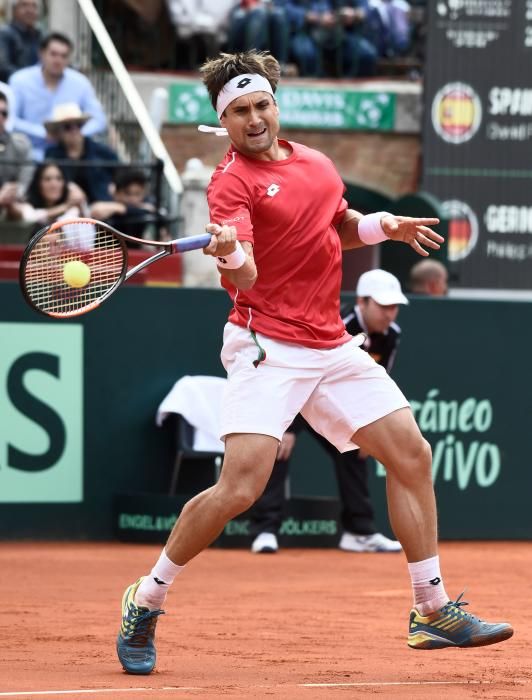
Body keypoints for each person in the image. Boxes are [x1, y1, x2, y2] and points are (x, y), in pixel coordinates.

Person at [115, 50, 512, 675]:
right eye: (240, 111)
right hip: (264, 344)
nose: (254, 119)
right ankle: (148, 596)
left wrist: (385, 226)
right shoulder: (230, 183)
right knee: (240, 487)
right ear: (225, 120)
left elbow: (336, 225)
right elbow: (245, 271)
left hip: (329, 342)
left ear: (276, 104)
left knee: (411, 453)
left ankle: (430, 610)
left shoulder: (317, 163)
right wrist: (228, 253)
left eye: (261, 105)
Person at [250, 268, 409, 554]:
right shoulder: (340, 326)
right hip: (299, 401)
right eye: (383, 306)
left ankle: (357, 532)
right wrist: (288, 428)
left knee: (354, 452)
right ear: (362, 302)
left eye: (394, 307)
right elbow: (302, 375)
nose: (389, 313)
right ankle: (266, 531)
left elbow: (375, 384)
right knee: (279, 447)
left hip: (333, 407)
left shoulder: (392, 335)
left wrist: (366, 428)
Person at [9, 32, 107, 160]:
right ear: (41, 54)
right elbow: (9, 120)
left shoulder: (80, 82)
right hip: (29, 153)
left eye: (64, 56)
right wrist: (42, 133)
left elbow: (99, 119)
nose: (58, 60)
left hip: (71, 156)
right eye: (53, 54)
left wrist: (73, 134)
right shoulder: (19, 81)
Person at [44, 103, 119, 203]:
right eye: (67, 127)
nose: (74, 130)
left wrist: (115, 186)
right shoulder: (52, 154)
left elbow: (121, 172)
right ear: (59, 132)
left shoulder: (100, 151)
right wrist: (68, 186)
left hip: (102, 206)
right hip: (67, 207)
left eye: (78, 125)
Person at [10, 161, 87, 233]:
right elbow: (31, 217)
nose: (54, 185)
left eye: (59, 179)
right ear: (38, 184)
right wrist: (65, 206)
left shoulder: (72, 210)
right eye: (47, 179)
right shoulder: (27, 206)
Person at [0, 88, 34, 218]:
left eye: (4, 113)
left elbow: (24, 181)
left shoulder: (21, 143)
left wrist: (14, 192)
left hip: (13, 205)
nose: (0, 117)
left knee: (28, 214)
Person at [0, 0, 42, 83]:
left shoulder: (40, 35)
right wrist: (30, 79)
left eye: (34, 6)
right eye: (24, 5)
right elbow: (3, 67)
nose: (30, 10)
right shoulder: (4, 34)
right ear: (13, 10)